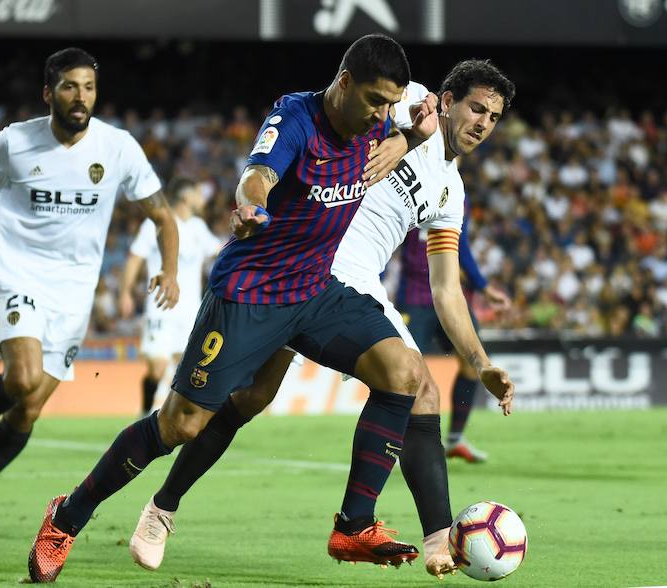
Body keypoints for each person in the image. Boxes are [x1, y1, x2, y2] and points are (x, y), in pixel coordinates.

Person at [28, 34, 427, 583]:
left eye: (391, 104)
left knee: (404, 371)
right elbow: (257, 176)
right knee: (180, 425)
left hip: (315, 290)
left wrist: (406, 137)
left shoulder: (385, 122)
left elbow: (428, 117)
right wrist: (250, 206)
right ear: (343, 83)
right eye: (376, 101)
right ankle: (67, 518)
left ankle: (354, 525)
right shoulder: (296, 118)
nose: (383, 114)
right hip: (252, 294)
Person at [125, 60, 517, 580]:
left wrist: (481, 362)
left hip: (352, 284)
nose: (483, 123)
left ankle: (421, 537)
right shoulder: (410, 98)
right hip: (303, 257)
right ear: (447, 100)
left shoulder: (451, 192)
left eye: (493, 117)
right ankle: (165, 508)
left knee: (265, 397)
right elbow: (350, 101)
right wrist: (403, 136)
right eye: (476, 108)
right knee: (244, 401)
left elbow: (447, 290)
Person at [0, 47, 179, 532]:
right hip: (18, 271)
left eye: (88, 87)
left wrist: (169, 269)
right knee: (20, 379)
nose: (80, 97)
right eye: (69, 87)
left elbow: (162, 214)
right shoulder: (15, 142)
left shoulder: (118, 147)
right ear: (48, 93)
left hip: (74, 290)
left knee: (32, 404)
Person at [398, 215, 511, 463]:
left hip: (450, 294)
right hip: (415, 297)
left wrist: (483, 287)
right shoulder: (408, 180)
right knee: (405, 372)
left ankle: (455, 439)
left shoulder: (459, 196)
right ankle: (397, 443)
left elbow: (462, 247)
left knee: (473, 365)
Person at [119, 177, 222, 415]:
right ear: (186, 197)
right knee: (158, 367)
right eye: (198, 193)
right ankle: (144, 414)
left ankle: (173, 418)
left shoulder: (197, 227)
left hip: (190, 311)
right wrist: (125, 292)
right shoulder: (156, 225)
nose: (202, 199)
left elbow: (218, 250)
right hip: (161, 306)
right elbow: (135, 257)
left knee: (185, 367)